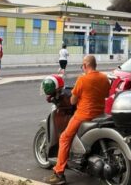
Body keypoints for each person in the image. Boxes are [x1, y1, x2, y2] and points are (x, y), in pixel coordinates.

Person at [46, 55, 111, 185]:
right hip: (100, 114)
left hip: (83, 115)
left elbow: (72, 100)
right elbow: (106, 94)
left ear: (85, 65)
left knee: (64, 138)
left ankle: (59, 173)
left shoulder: (82, 79)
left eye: (82, 65)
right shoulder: (104, 78)